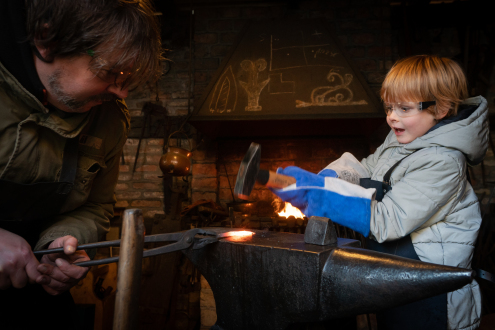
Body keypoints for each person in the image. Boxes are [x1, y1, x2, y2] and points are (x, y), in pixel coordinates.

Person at [272, 55, 486, 330]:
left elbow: (388, 220)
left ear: (441, 108)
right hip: (397, 280)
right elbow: (365, 169)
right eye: (389, 107)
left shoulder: (443, 162)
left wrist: (321, 197)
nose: (392, 117)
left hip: (433, 296)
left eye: (404, 108)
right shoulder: (401, 141)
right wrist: (327, 179)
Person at [0, 0, 162, 328]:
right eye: (111, 73)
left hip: (32, 291)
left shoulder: (109, 120)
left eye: (129, 78)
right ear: (48, 40)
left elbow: (96, 206)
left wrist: (62, 242)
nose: (122, 92)